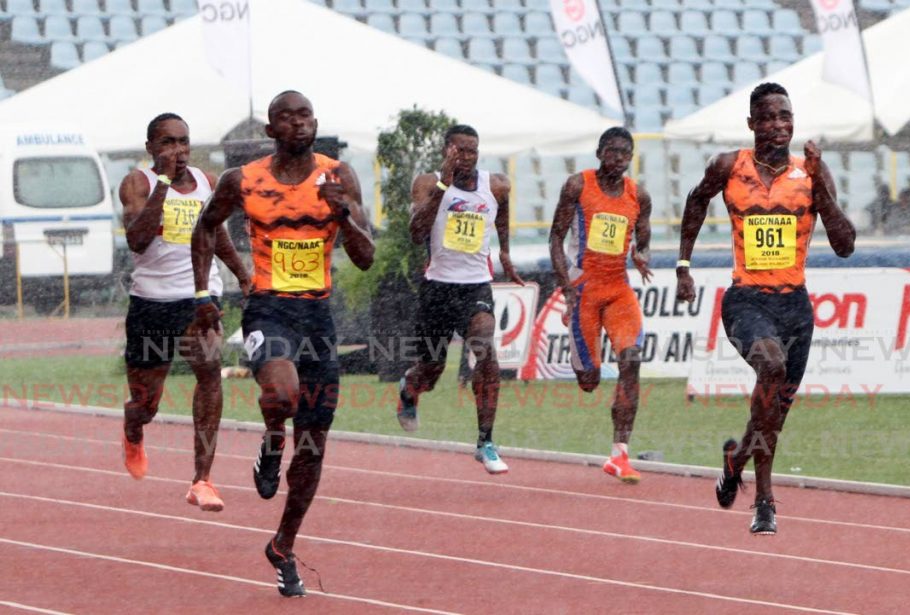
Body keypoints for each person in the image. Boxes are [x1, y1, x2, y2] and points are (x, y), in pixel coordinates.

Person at [191, 91, 375, 597]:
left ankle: (282, 546)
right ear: (272, 130)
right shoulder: (243, 180)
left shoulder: (338, 176)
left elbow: (365, 257)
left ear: (315, 123)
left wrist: (344, 216)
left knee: (313, 450)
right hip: (269, 307)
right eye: (286, 117)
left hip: (317, 316)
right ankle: (272, 440)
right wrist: (204, 293)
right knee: (282, 396)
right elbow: (205, 228)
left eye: (305, 115)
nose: (298, 123)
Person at [676, 83, 855, 535]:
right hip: (746, 300)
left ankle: (736, 462)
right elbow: (696, 201)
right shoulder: (728, 166)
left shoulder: (810, 171)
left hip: (795, 305)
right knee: (770, 366)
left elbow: (845, 245)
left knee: (774, 415)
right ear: (752, 123)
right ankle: (765, 501)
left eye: (786, 116)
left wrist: (820, 186)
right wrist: (683, 265)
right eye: (769, 117)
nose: (779, 125)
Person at [119, 113, 249, 512]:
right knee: (147, 404)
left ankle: (202, 479)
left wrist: (243, 276)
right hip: (152, 304)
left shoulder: (207, 182)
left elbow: (216, 233)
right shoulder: (137, 183)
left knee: (210, 374)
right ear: (151, 149)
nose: (177, 151)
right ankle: (133, 425)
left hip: (198, 298)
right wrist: (162, 182)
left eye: (183, 142)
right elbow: (138, 240)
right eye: (167, 143)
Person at [398, 124, 524, 474]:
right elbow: (416, 232)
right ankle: (410, 388)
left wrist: (505, 255)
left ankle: (485, 441)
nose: (467, 157)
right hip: (437, 287)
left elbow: (502, 215)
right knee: (432, 370)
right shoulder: (428, 183)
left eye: (473, 151)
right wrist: (444, 184)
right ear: (446, 151)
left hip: (475, 286)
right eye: (460, 151)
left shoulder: (495, 185)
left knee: (485, 347)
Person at [549, 126, 654, 484]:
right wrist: (566, 287)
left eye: (625, 153)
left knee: (632, 359)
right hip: (584, 289)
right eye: (612, 151)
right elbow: (555, 237)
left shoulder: (639, 195)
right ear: (599, 153)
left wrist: (641, 255)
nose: (618, 159)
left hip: (618, 288)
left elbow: (644, 235)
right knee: (589, 380)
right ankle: (577, 334)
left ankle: (619, 455)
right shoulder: (578, 185)